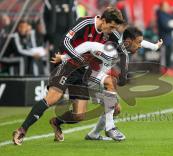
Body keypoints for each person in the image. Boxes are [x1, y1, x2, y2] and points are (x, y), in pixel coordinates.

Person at [12, 7, 124, 145]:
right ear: (104, 20)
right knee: (53, 98)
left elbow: (122, 46)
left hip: (83, 73)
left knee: (79, 116)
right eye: (111, 26)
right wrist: (77, 57)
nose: (112, 30)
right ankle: (22, 130)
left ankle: (56, 122)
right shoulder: (85, 23)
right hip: (67, 66)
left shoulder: (110, 34)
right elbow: (64, 42)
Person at [48, 26, 163, 141]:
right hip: (85, 77)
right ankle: (110, 127)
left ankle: (91, 133)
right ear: (128, 41)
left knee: (115, 109)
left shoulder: (127, 46)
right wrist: (64, 57)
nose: (140, 46)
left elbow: (143, 43)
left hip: (97, 80)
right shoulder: (109, 50)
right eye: (138, 43)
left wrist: (155, 46)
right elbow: (88, 45)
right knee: (110, 82)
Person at [156, 1, 173, 76]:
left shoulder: (166, 15)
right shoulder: (160, 14)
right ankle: (164, 70)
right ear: (162, 7)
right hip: (163, 38)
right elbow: (165, 26)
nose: (167, 7)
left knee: (168, 54)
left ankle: (168, 69)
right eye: (165, 6)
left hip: (169, 38)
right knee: (164, 54)